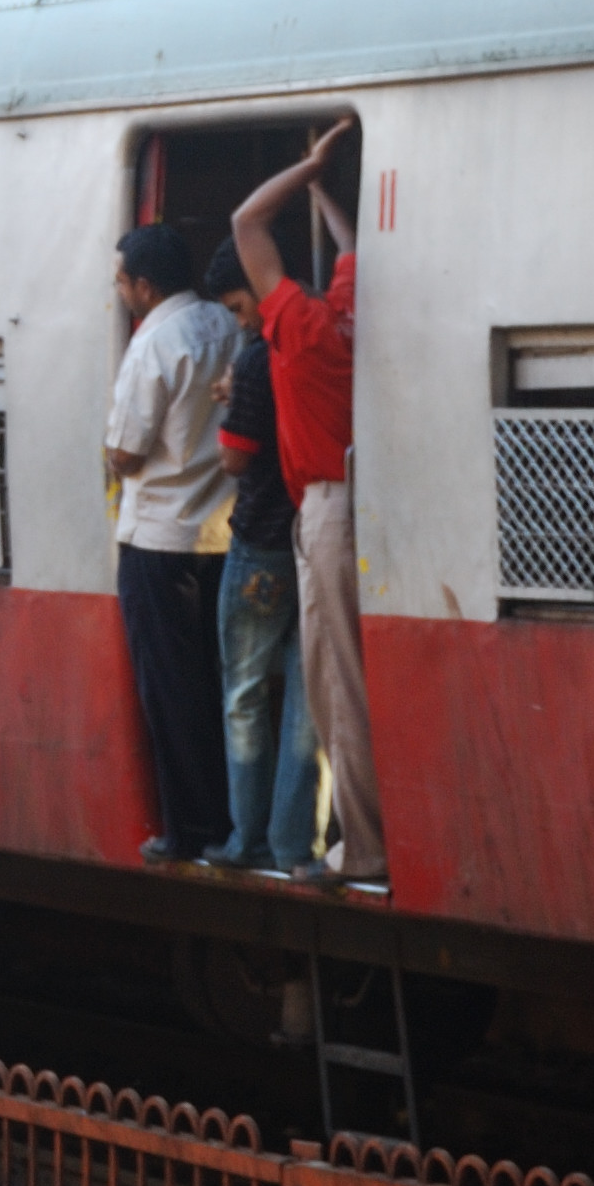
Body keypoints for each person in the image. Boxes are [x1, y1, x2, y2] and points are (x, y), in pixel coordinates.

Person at [232, 121, 382, 887]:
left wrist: (311, 167)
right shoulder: (348, 317)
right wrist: (325, 190)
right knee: (340, 676)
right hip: (357, 498)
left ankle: (364, 846)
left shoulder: (300, 328)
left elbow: (245, 222)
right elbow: (351, 246)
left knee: (336, 682)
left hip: (327, 507)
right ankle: (357, 837)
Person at [103, 220, 241, 861]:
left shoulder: (154, 340)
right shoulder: (228, 324)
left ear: (145, 285)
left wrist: (108, 451)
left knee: (172, 691)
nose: (120, 292)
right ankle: (238, 821)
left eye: (122, 282)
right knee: (226, 686)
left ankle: (190, 828)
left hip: (160, 543)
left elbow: (126, 453)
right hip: (225, 534)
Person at [202, 239, 320, 874]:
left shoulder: (254, 360)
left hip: (261, 546)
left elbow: (236, 458)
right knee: (308, 700)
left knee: (245, 692)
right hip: (315, 538)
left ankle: (246, 839)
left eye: (239, 305)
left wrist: (232, 407)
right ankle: (294, 844)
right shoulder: (314, 333)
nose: (242, 319)